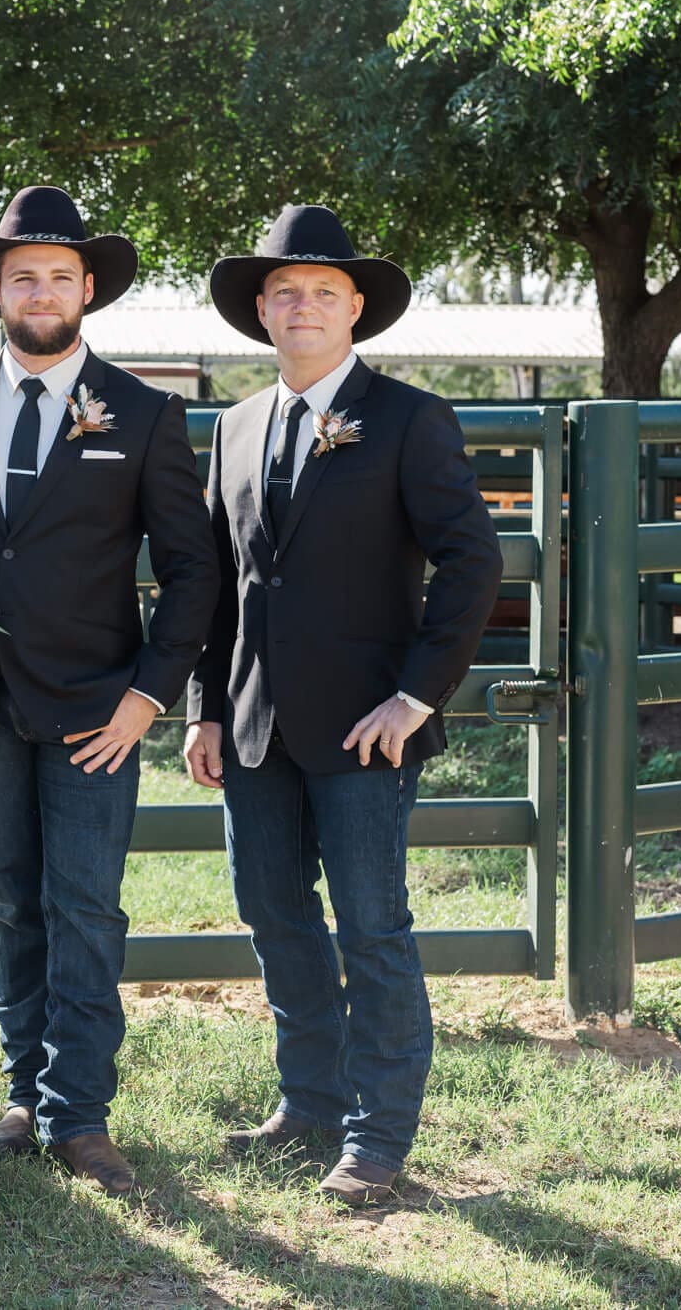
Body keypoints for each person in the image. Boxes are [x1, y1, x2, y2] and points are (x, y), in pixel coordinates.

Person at [183, 205, 502, 1205]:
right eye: (285, 291)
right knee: (274, 915)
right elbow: (221, 582)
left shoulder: (409, 418)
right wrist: (202, 707)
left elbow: (471, 563)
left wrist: (415, 696)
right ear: (261, 312)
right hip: (252, 726)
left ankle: (378, 1137)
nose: (303, 306)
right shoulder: (234, 426)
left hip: (369, 727)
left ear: (355, 307)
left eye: (324, 291)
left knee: (370, 927)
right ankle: (309, 1104)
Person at [0, 186, 217, 1197]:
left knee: (83, 905)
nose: (40, 292)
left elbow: (192, 570)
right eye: (22, 277)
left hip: (97, 707)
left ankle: (78, 1112)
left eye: (59, 276)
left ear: (87, 290)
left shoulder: (143, 411)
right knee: (3, 900)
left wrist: (147, 698)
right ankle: (22, 1093)